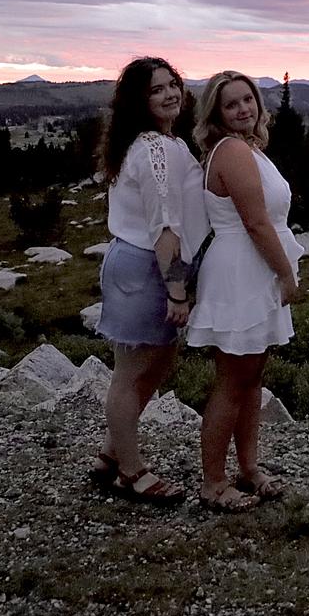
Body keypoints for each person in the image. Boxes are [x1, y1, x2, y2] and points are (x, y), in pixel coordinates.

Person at [92, 56, 208, 504]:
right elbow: (165, 227)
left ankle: (110, 453)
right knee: (130, 373)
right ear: (139, 101)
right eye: (156, 89)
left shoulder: (162, 142)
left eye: (172, 84)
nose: (169, 94)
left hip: (148, 264)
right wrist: (177, 290)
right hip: (146, 266)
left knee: (156, 364)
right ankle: (131, 471)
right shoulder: (155, 150)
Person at [187, 70, 303, 512]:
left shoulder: (247, 148)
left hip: (253, 269)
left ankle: (249, 468)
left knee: (252, 378)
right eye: (231, 104)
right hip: (242, 271)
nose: (242, 109)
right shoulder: (233, 151)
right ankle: (213, 483)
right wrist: (285, 275)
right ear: (216, 113)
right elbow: (255, 222)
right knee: (233, 381)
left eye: (247, 100)